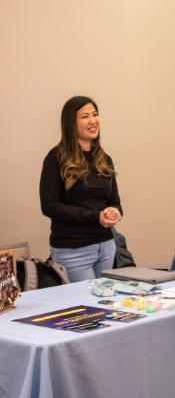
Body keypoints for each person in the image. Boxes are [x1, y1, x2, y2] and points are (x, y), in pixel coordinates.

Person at [40, 95, 123, 282]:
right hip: (73, 250)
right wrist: (96, 217)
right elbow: (50, 206)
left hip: (106, 246)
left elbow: (115, 202)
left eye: (95, 114)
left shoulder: (104, 159)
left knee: (104, 306)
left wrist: (114, 212)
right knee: (87, 308)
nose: (93, 120)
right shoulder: (56, 158)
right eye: (85, 116)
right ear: (71, 123)